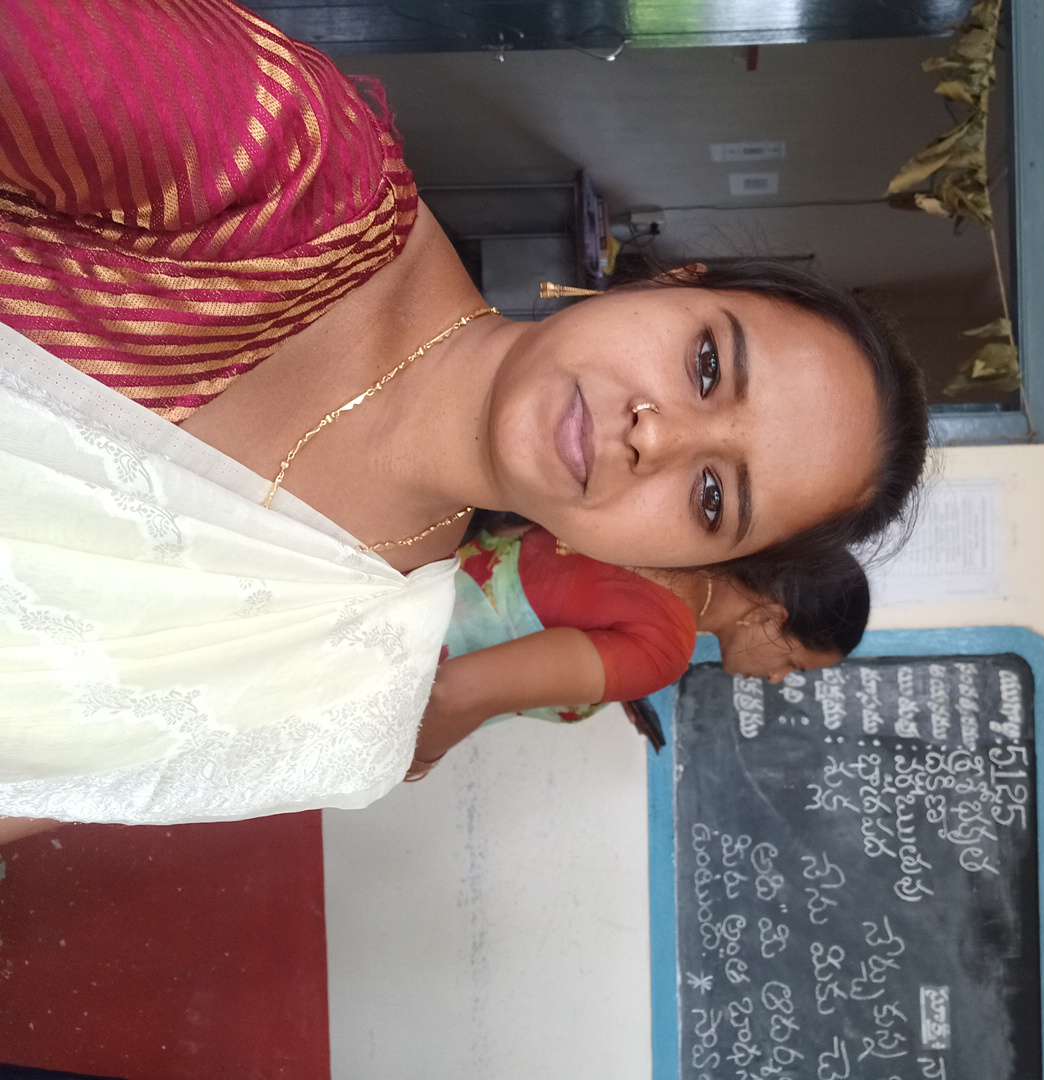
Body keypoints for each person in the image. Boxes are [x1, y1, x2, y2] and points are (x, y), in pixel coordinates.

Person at [0, 1, 928, 826]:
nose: (658, 435)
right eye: (708, 363)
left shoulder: (359, 673)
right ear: (675, 280)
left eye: (714, 498)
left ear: (682, 559)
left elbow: (51, 786)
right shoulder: (284, 172)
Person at [404, 529, 869, 779]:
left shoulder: (656, 531)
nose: (777, 679)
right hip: (385, 673)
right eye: (792, 663)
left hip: (389, 577)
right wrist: (415, 762)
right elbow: (455, 692)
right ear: (770, 617)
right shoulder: (666, 647)